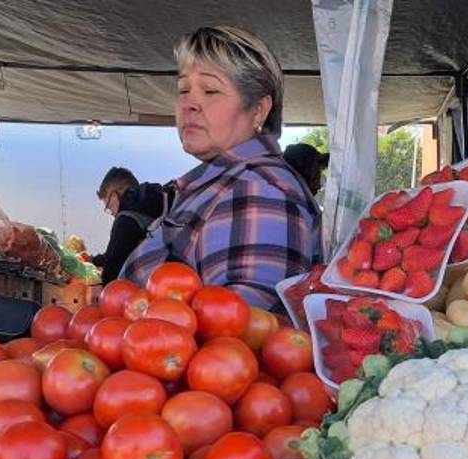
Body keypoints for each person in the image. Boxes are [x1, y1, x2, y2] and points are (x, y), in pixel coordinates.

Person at [121, 26, 323, 309]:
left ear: (258, 110)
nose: (189, 103)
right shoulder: (229, 183)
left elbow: (239, 334)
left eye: (210, 90)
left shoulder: (257, 191)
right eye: (183, 89)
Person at [92, 167, 177, 283]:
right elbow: (120, 249)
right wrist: (93, 260)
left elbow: (111, 271)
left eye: (109, 206)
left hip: (140, 290)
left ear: (115, 195)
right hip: (172, 279)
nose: (111, 213)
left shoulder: (126, 218)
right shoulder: (156, 204)